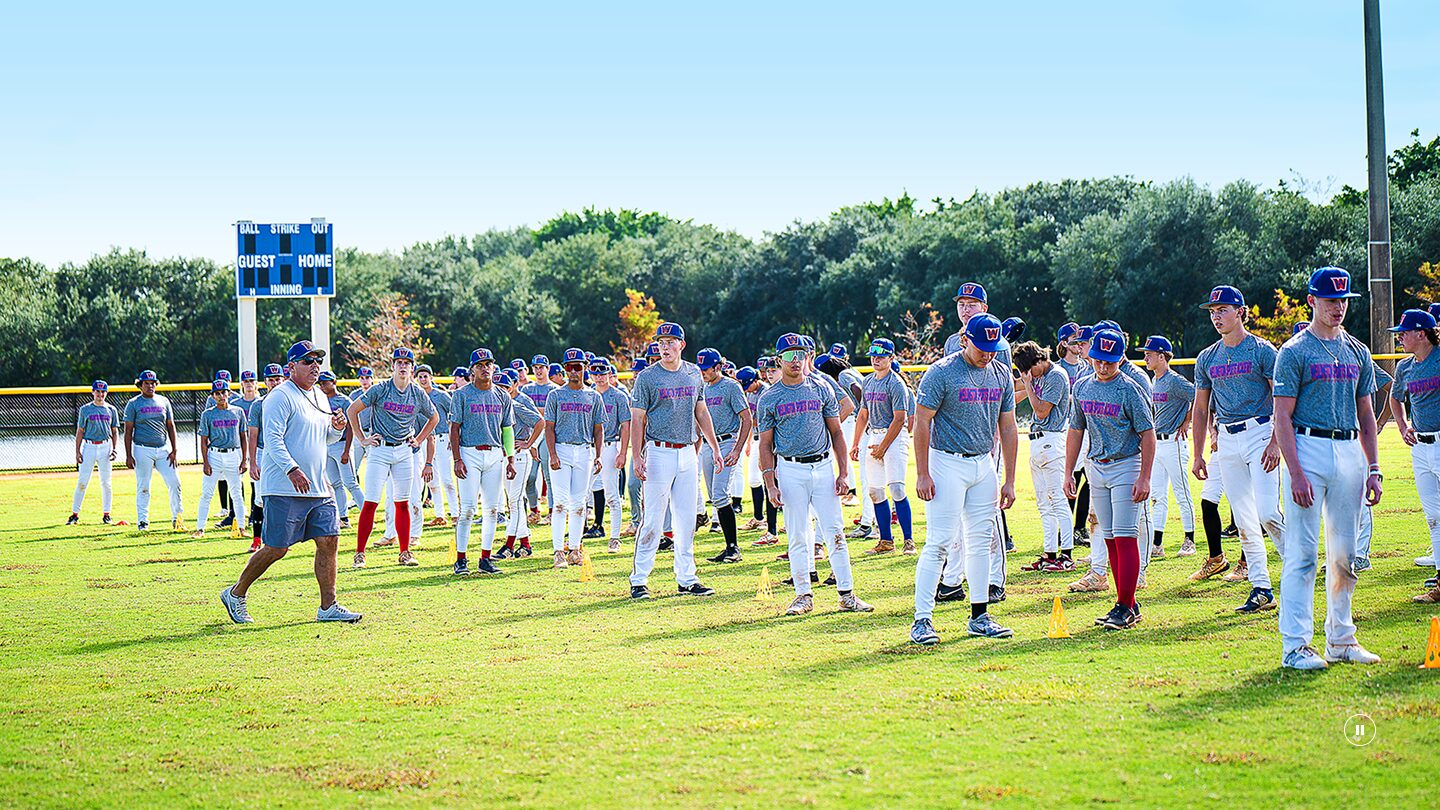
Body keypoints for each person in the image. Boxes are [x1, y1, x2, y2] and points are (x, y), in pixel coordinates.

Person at [1273, 266, 1383, 670]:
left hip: (1349, 449)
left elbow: (1366, 412)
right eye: (1330, 300)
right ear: (1312, 301)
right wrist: (1295, 471)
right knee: (1302, 553)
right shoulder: (1294, 351)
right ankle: (1295, 646)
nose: (1338, 307)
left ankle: (1341, 638)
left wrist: (1374, 467)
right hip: (1308, 446)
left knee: (1345, 554)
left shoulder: (1357, 350)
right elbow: (1281, 416)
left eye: (1343, 300)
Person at [220, 340, 360, 625]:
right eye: (308, 361)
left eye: (318, 360)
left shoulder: (320, 396)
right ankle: (235, 593)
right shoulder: (279, 396)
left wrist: (337, 429)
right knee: (277, 548)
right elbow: (272, 440)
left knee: (329, 539)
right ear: (291, 367)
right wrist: (292, 469)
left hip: (318, 487)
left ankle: (328, 606)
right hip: (285, 486)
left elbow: (324, 438)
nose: (315, 366)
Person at [909, 314, 1018, 644]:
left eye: (993, 348)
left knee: (981, 542)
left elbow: (1008, 426)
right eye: (982, 348)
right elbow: (922, 422)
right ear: (965, 340)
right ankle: (922, 619)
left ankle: (979, 615)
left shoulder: (1000, 372)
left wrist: (1009, 479)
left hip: (983, 463)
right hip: (946, 462)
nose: (988, 354)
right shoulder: (941, 372)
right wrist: (923, 472)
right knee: (940, 541)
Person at [757, 333, 873, 616]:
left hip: (822, 466)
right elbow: (765, 444)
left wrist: (843, 473)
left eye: (800, 354)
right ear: (779, 359)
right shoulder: (769, 398)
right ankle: (803, 595)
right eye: (788, 355)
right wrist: (770, 484)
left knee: (835, 532)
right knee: (798, 534)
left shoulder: (821, 387)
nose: (795, 360)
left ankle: (847, 594)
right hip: (790, 468)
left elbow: (836, 432)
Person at [1191, 285, 1281, 613]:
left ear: (1240, 312)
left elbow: (1282, 398)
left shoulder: (1262, 350)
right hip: (1227, 439)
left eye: (1223, 310)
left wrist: (1276, 441)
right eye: (1213, 312)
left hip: (1261, 432)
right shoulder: (1207, 357)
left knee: (1268, 513)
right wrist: (1198, 453)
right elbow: (1201, 409)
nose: (1216, 316)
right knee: (1243, 519)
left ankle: (1298, 569)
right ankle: (1261, 587)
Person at [1063, 327, 1156, 630]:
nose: (1103, 367)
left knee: (1126, 535)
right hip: (1096, 466)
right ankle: (1127, 603)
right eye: (1098, 360)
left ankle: (1124, 606)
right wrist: (1068, 471)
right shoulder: (1083, 387)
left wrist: (1144, 477)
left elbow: (1148, 434)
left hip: (1126, 463)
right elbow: (1076, 429)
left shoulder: (1129, 389)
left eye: (1110, 361)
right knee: (1110, 537)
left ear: (1121, 359)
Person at [628, 323, 724, 599]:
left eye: (670, 341)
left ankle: (687, 578)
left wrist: (715, 447)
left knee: (686, 519)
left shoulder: (693, 373)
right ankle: (639, 579)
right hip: (658, 451)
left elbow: (701, 412)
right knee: (653, 519)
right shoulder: (647, 377)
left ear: (682, 344)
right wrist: (637, 456)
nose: (665, 347)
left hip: (687, 451)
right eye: (661, 342)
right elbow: (637, 418)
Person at [347, 347, 439, 568]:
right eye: (399, 362)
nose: (403, 366)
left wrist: (419, 439)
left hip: (404, 450)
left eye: (407, 363)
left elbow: (434, 417)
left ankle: (405, 552)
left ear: (412, 368)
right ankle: (360, 553)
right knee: (371, 502)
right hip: (380, 450)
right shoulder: (381, 389)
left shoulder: (417, 393)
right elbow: (352, 410)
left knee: (402, 502)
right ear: (393, 366)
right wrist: (362, 439)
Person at [449, 348, 515, 576]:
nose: (485, 368)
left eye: (488, 364)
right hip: (470, 452)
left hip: (495, 453)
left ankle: (485, 558)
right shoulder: (462, 394)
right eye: (480, 365)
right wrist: (457, 458)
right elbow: (454, 428)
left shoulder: (502, 396)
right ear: (472, 370)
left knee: (492, 509)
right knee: (468, 509)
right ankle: (461, 559)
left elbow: (507, 430)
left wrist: (511, 459)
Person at [1389, 309, 1440, 603]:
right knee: (1434, 517)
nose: (1400, 338)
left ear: (1422, 334)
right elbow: (1395, 398)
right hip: (1420, 447)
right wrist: (1403, 425)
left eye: (1404, 333)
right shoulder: (1405, 367)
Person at [1013, 341, 1074, 572]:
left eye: (1029, 369)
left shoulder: (1056, 375)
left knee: (1058, 500)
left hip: (1052, 440)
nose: (1029, 374)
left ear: (1039, 360)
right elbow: (1015, 388)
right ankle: (1050, 554)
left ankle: (1066, 555)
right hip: (1037, 442)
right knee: (1043, 504)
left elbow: (1041, 411)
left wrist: (1028, 385)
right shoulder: (1035, 374)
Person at [851, 338, 915, 555]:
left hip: (895, 437)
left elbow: (900, 419)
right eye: (873, 355)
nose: (876, 359)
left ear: (891, 357)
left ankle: (908, 540)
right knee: (875, 491)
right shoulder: (868, 381)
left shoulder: (895, 383)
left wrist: (883, 447)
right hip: (875, 435)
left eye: (881, 356)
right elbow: (863, 414)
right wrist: (856, 443)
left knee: (896, 488)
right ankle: (886, 541)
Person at [544, 348, 604, 567]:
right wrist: (552, 454)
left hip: (584, 450)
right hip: (562, 449)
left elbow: (598, 429)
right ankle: (558, 550)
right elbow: (549, 427)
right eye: (569, 367)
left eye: (577, 367)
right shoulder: (555, 395)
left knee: (579, 503)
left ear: (585, 368)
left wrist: (599, 455)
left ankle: (575, 549)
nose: (573, 372)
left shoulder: (594, 396)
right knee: (560, 503)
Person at [693, 348, 751, 563]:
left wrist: (737, 449)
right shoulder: (701, 387)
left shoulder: (731, 386)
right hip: (708, 445)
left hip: (727, 442)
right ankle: (728, 547)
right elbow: (698, 422)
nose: (703, 372)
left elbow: (747, 418)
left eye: (706, 368)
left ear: (718, 367)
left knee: (719, 494)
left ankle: (733, 548)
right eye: (700, 369)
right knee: (714, 496)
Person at [1141, 336, 1196, 558]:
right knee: (1158, 496)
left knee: (1182, 493)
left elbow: (1199, 396)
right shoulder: (1154, 380)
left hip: (1174, 442)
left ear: (1162, 356)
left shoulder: (1174, 380)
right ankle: (1157, 544)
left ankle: (1190, 541)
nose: (1146, 358)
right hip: (1158, 443)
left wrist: (1187, 420)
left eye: (1149, 354)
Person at [123, 369, 184, 531]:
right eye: (146, 383)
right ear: (140, 385)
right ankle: (143, 521)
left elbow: (170, 426)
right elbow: (128, 431)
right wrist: (128, 455)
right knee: (143, 486)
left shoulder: (164, 401)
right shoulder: (133, 404)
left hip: (163, 448)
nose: (150, 386)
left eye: (153, 383)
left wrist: (174, 450)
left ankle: (177, 518)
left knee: (175, 482)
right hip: (142, 448)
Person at [494, 369, 541, 558]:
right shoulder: (492, 407)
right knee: (513, 502)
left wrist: (529, 444)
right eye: (497, 387)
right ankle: (525, 544)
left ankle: (509, 545)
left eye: (504, 387)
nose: (500, 390)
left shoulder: (515, 405)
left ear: (511, 388)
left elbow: (540, 422)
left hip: (520, 456)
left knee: (515, 500)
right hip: (504, 456)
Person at [194, 379, 248, 535]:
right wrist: (205, 462)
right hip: (215, 455)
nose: (221, 396)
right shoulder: (208, 414)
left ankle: (241, 527)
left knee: (237, 493)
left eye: (223, 392)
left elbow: (243, 436)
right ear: (212, 396)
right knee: (207, 493)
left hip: (233, 454)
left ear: (229, 393)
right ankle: (200, 528)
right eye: (217, 393)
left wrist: (244, 460)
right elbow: (203, 440)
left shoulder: (238, 411)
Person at [589, 360, 632, 551]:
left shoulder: (618, 396)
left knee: (612, 495)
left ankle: (614, 537)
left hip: (609, 445)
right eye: (595, 374)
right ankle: (576, 541)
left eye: (602, 373)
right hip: (588, 447)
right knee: (582, 495)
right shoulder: (587, 394)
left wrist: (622, 452)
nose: (599, 377)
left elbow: (625, 425)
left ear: (609, 374)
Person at [68, 380, 120, 526]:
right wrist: (77, 451)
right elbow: (80, 431)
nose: (100, 394)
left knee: (106, 483)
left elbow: (115, 431)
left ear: (106, 393)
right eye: (97, 391)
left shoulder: (111, 410)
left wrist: (115, 449)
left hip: (105, 446)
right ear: (93, 392)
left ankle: (107, 514)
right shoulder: (85, 409)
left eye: (103, 392)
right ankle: (74, 515)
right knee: (82, 482)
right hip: (89, 446)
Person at [245, 365, 286, 552]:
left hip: (284, 453)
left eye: (278, 378)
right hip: (264, 451)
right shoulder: (258, 404)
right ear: (265, 382)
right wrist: (252, 461)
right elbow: (253, 435)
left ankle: (280, 540)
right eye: (271, 379)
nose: (275, 382)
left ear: (283, 379)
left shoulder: (289, 401)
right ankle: (256, 539)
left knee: (282, 496)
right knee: (260, 497)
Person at [317, 371, 364, 528]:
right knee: (335, 483)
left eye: (325, 382)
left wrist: (346, 450)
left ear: (334, 382)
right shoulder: (319, 399)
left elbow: (351, 427)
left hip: (342, 444)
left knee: (350, 483)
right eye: (320, 383)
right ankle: (343, 518)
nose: (322, 385)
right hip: (327, 444)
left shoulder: (344, 401)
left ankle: (367, 515)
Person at [418, 364, 459, 527]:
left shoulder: (440, 395)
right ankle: (439, 515)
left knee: (447, 479)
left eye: (425, 376)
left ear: (431, 377)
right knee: (432, 481)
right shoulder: (416, 396)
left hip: (441, 438)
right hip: (424, 440)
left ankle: (455, 514)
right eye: (420, 377)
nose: (423, 379)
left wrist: (452, 435)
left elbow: (454, 414)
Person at [522, 354, 557, 525]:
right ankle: (534, 510)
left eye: (541, 367)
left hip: (548, 434)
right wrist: (540, 411)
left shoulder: (555, 389)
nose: (538, 371)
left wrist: (535, 411)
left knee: (549, 475)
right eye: (535, 367)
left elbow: (552, 414)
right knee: (529, 476)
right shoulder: (527, 389)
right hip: (532, 435)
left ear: (548, 369)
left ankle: (552, 511)